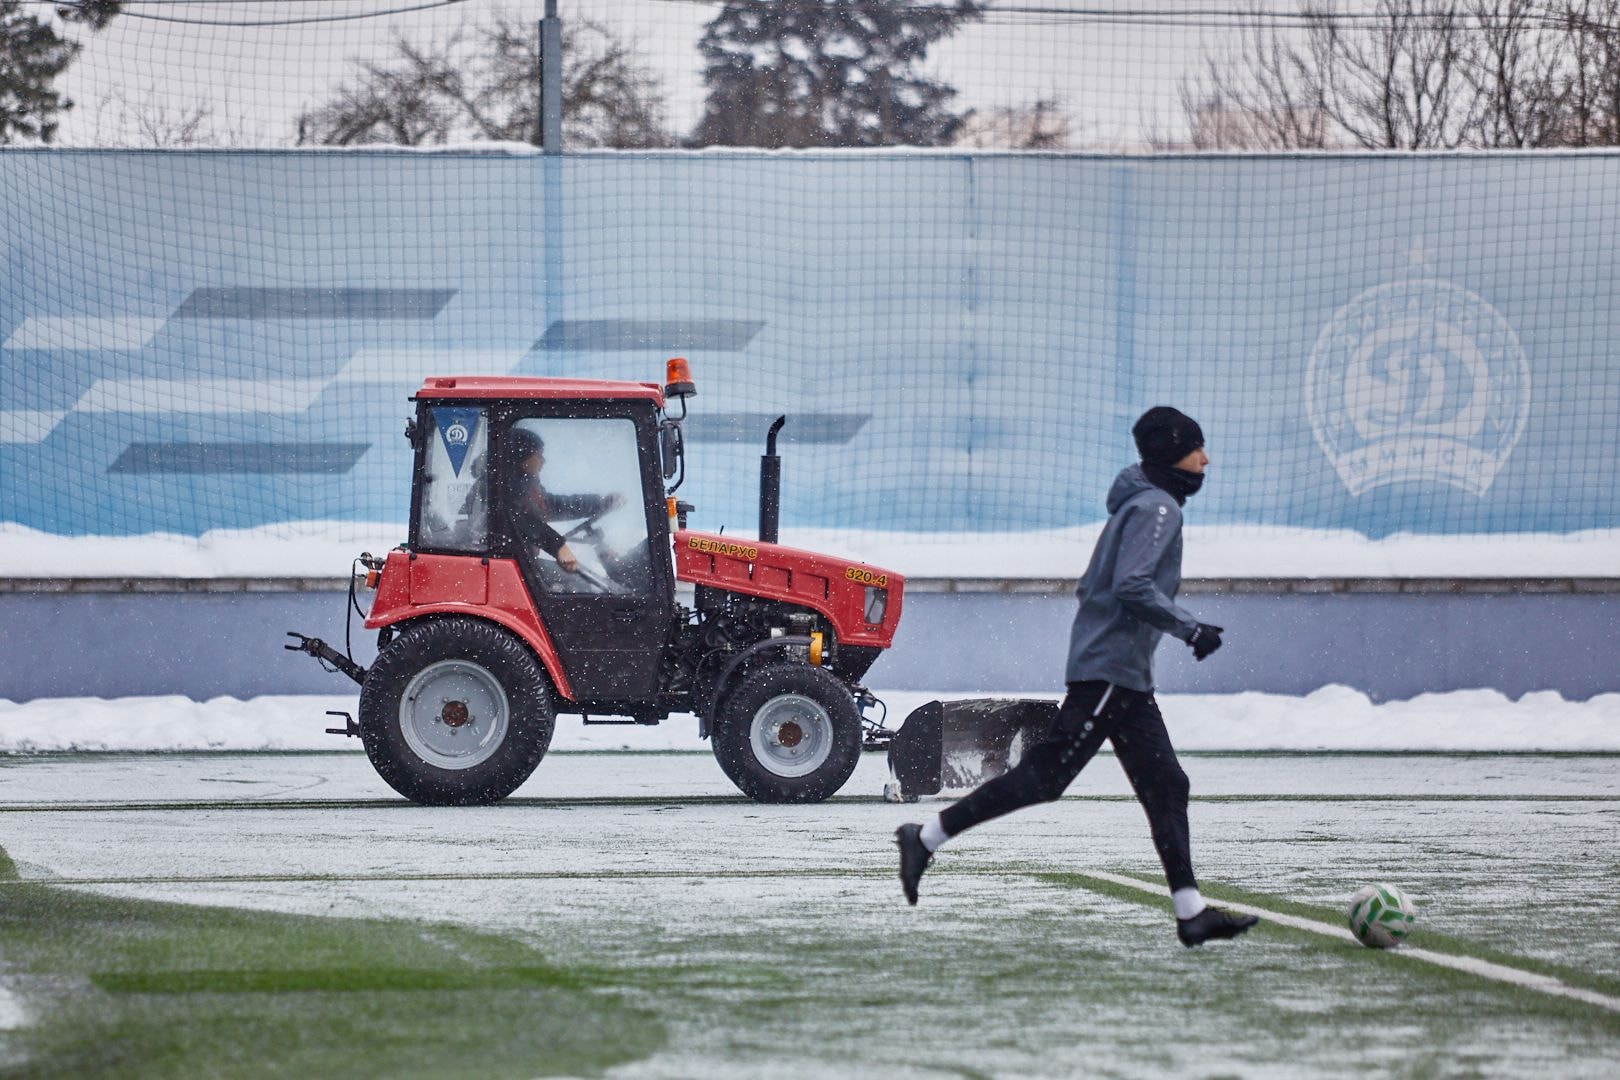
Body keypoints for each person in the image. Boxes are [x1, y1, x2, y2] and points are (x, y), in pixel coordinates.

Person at [895, 406, 1259, 948]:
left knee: (1167, 784)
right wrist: (1190, 628)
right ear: (1172, 452)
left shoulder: (1139, 505)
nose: (1205, 459)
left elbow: (1095, 586)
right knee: (1046, 778)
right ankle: (925, 837)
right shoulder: (1158, 508)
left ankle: (1191, 913)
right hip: (1111, 673)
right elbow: (1131, 585)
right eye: (1196, 448)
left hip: (1123, 676)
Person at [504, 426, 623, 574]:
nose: (543, 461)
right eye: (538, 455)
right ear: (522, 455)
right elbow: (518, 518)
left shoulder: (525, 483)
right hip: (510, 566)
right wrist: (557, 546)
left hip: (521, 562)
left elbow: (552, 506)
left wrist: (599, 504)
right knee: (575, 584)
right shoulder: (502, 488)